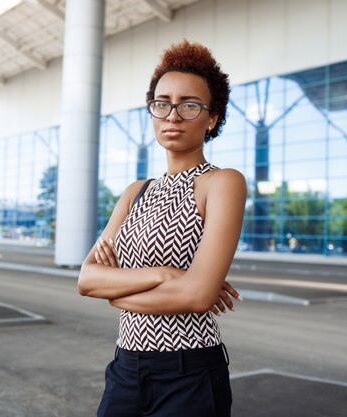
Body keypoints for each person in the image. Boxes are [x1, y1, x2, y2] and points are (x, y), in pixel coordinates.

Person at [77, 39, 247, 417]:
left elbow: (199, 296)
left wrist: (116, 293)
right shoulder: (136, 192)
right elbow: (87, 279)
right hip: (125, 368)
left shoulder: (222, 182)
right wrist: (163, 274)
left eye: (189, 105)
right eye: (162, 103)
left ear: (212, 117)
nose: (173, 115)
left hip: (189, 373)